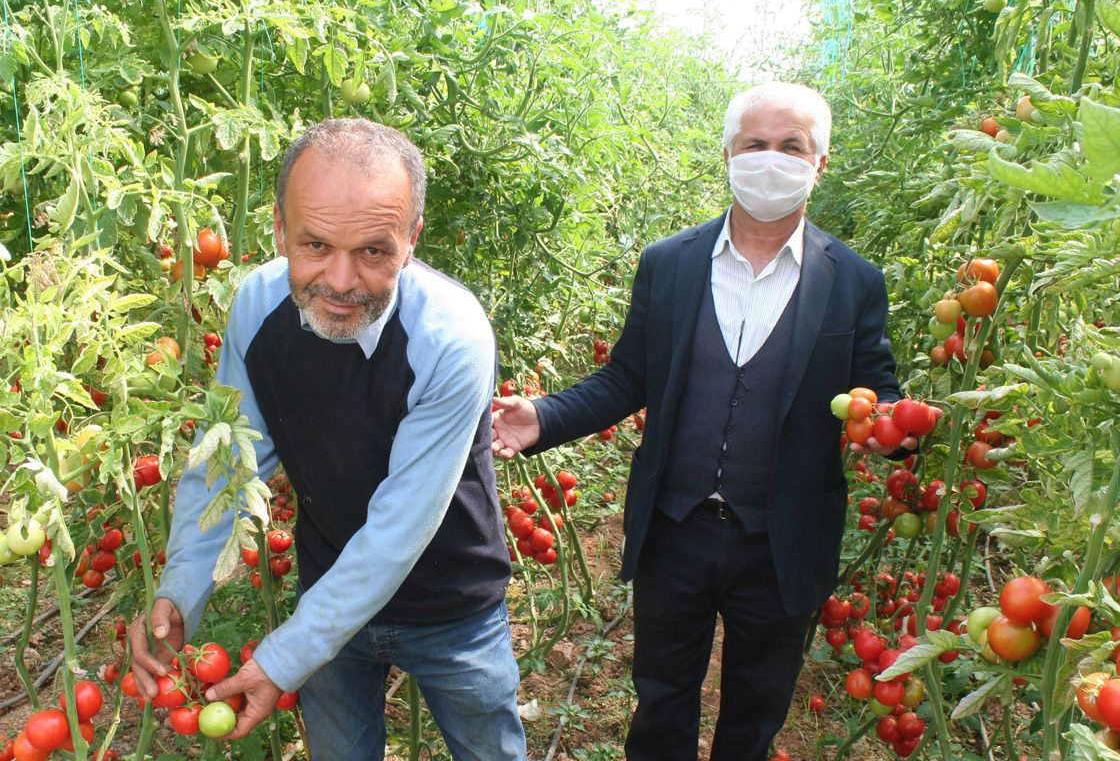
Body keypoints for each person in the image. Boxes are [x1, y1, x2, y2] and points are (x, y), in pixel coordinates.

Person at [491, 82, 911, 760]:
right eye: (755, 145)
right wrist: (544, 416)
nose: (770, 161)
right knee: (661, 700)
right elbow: (628, 375)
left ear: (819, 163)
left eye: (791, 147)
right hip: (675, 528)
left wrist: (904, 427)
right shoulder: (671, 264)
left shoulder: (853, 281)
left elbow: (877, 393)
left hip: (783, 540)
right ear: (727, 153)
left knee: (756, 709)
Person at [129, 118, 525, 761]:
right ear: (279, 230)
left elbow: (400, 528)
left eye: (374, 250)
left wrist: (288, 654)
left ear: (412, 239)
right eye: (314, 244)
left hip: (454, 606)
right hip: (328, 592)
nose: (340, 282)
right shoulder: (255, 310)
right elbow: (229, 458)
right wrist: (182, 589)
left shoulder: (452, 338)